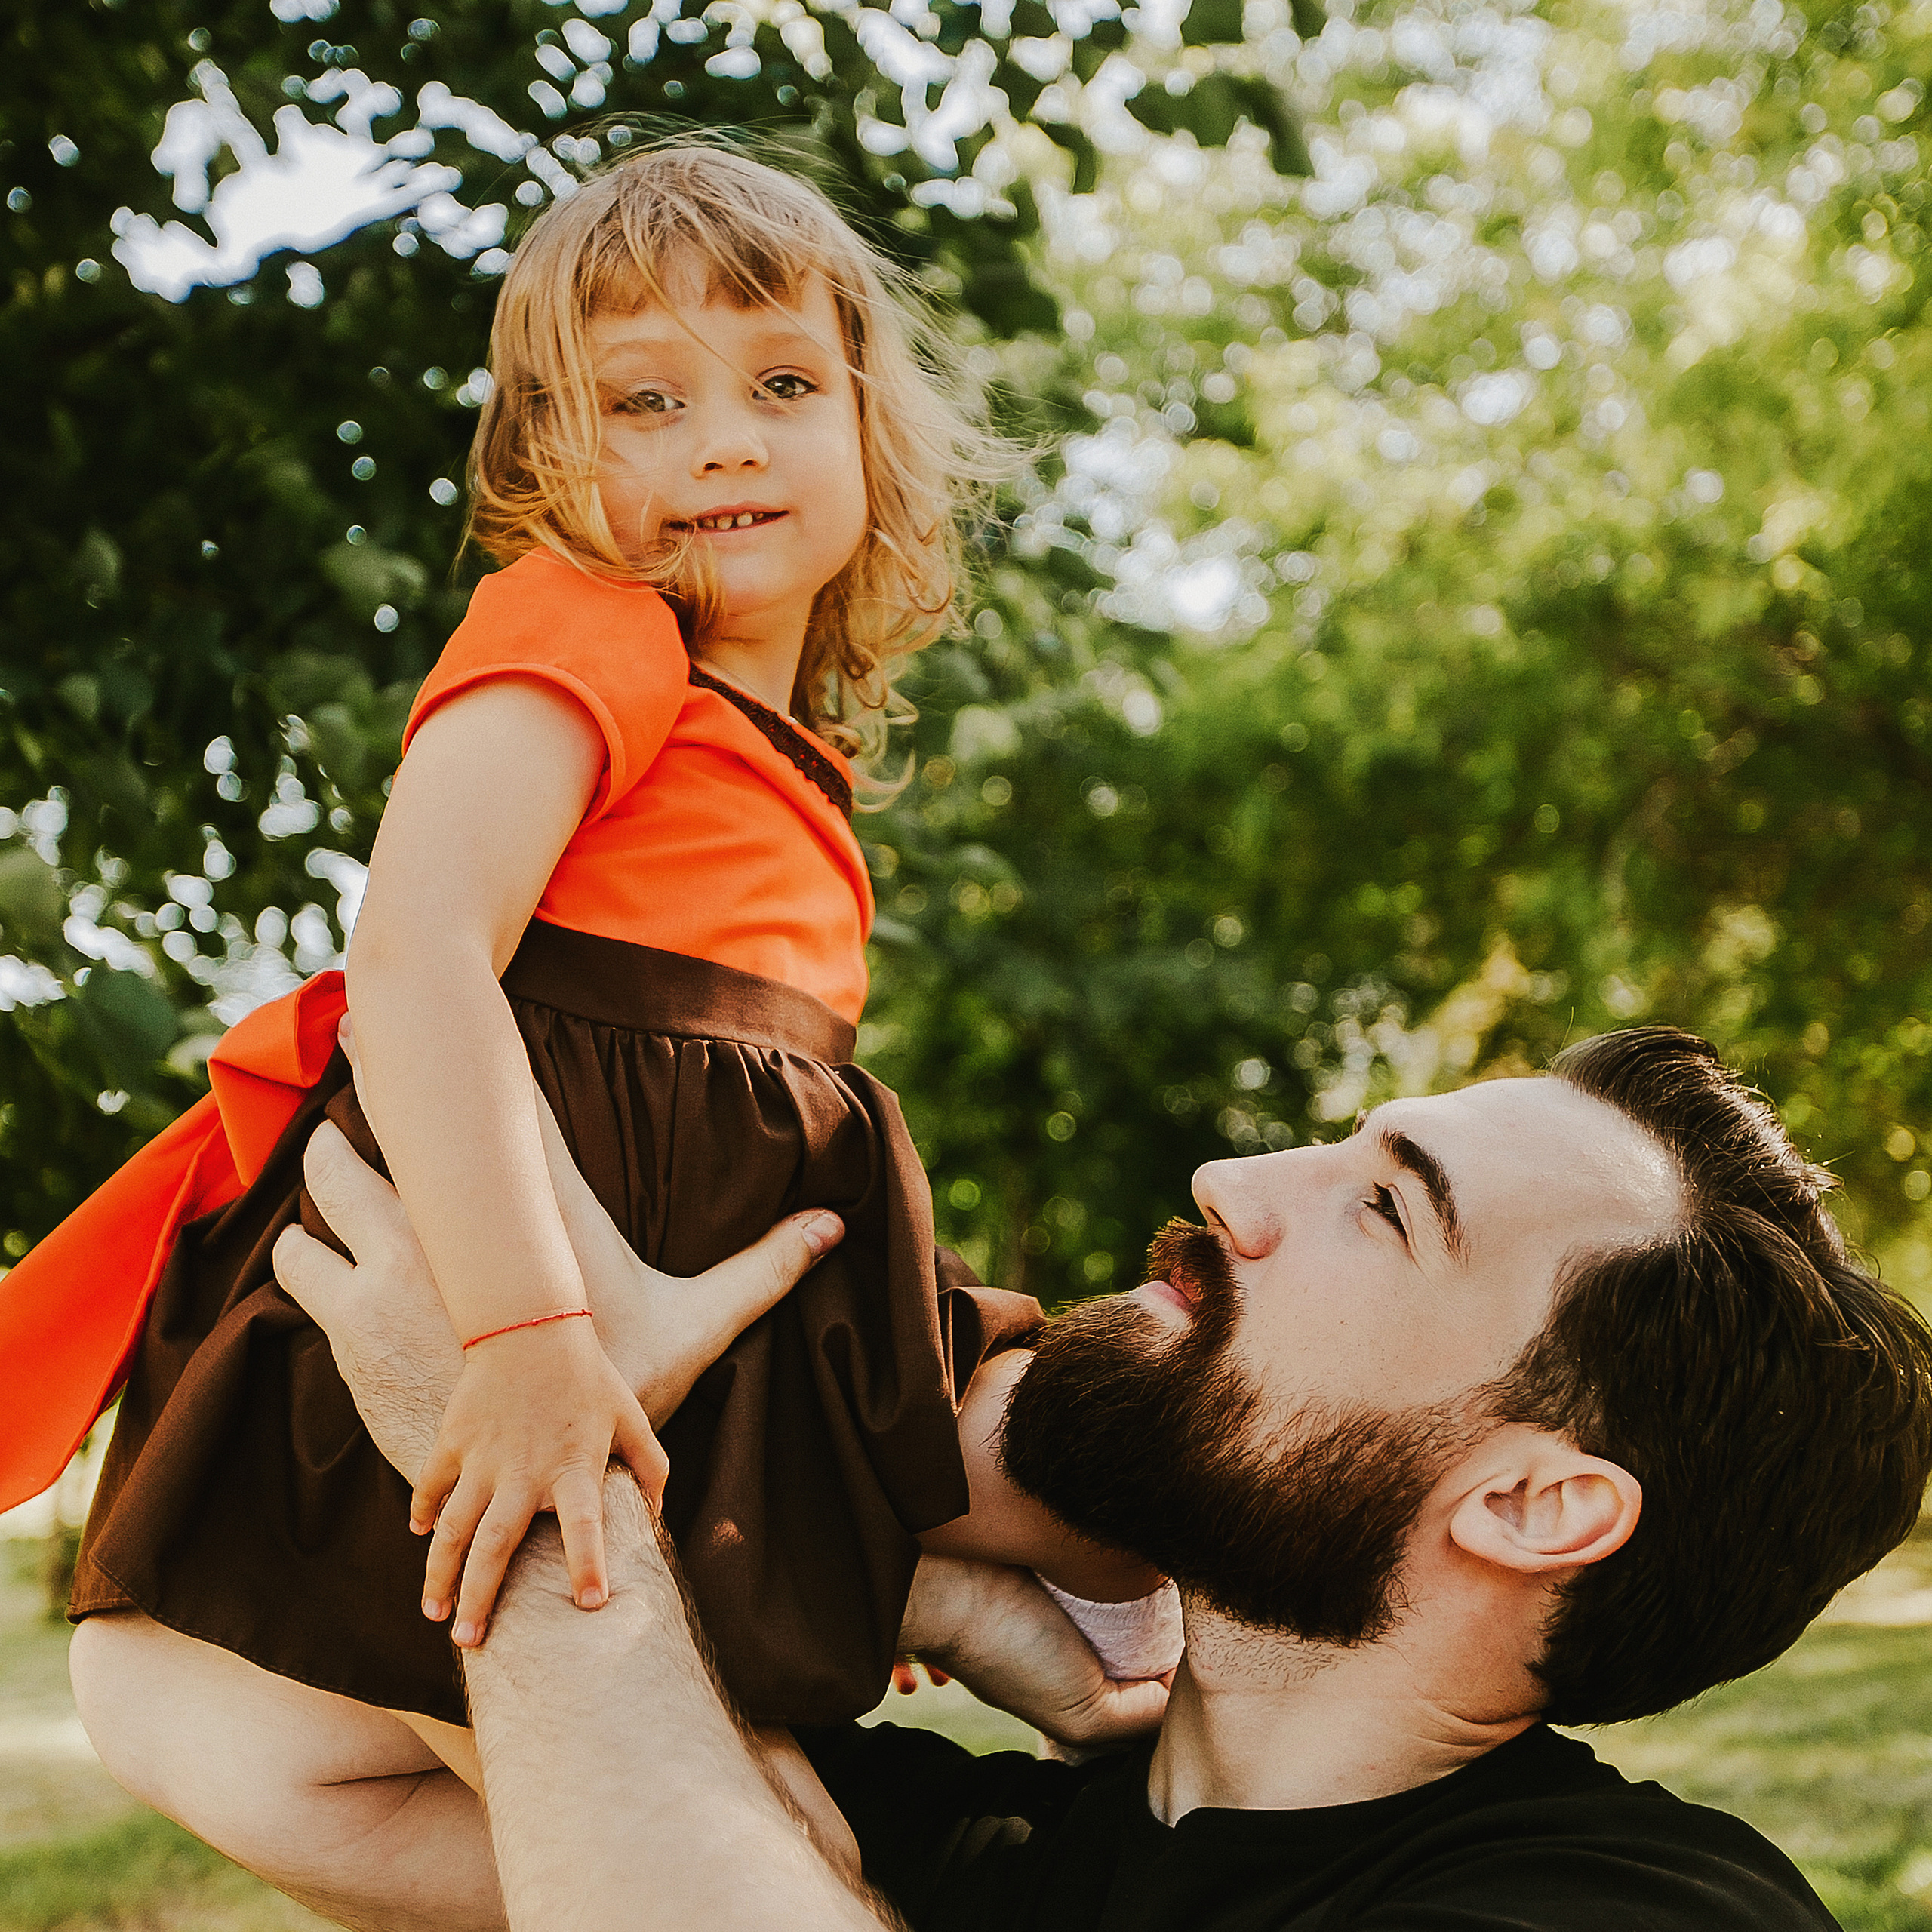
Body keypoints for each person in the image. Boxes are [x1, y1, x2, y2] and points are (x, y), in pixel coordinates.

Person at [32, 140, 1159, 1870]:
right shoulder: (589, 624)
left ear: (872, 428)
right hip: (503, 1281)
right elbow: (416, 961)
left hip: (693, 1251)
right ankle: (936, 1613)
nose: (721, 437)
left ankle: (971, 1603)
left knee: (1095, 1487)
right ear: (547, 460)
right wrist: (525, 1339)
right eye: (644, 404)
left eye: (783, 382)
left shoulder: (777, 747)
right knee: (770, 1834)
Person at [226, 1025, 1930, 1929]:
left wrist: (540, 1492)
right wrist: (857, 1573)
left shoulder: (1642, 1913)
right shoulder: (974, 1843)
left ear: (1531, 1501)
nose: (1232, 1175)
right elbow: (253, 1736)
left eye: (1386, 1206)